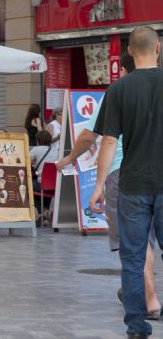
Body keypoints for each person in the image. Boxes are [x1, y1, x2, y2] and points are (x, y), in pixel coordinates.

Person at [57, 52, 161, 323]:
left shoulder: (118, 93)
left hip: (123, 175)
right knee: (148, 240)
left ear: (125, 70)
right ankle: (141, 293)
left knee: (136, 242)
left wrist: (70, 159)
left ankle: (149, 299)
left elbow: (94, 136)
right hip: (155, 174)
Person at [89, 26, 163, 339]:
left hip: (132, 185)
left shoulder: (118, 90)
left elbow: (108, 142)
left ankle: (137, 327)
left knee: (132, 258)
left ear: (130, 52)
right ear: (158, 48)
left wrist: (98, 185)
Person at [30, 130, 58, 226]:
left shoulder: (36, 149)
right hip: (55, 186)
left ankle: (43, 211)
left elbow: (26, 162)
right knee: (44, 188)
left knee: (28, 187)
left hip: (42, 185)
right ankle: (46, 211)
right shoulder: (56, 150)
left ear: (37, 140)